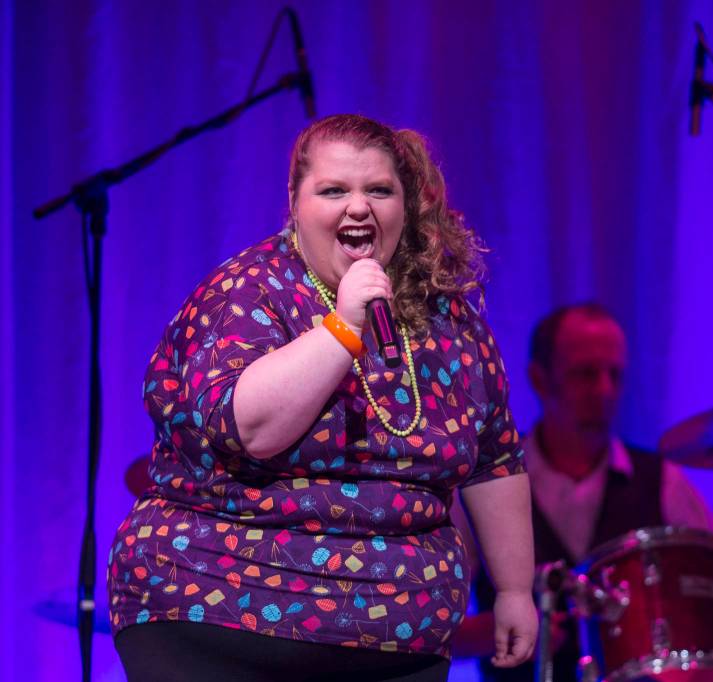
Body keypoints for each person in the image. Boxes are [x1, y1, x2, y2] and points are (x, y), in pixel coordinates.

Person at [108, 114, 537, 682]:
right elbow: (252, 429)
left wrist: (513, 590)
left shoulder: (449, 319)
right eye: (334, 190)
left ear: (403, 206)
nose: (358, 207)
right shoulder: (245, 292)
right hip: (218, 612)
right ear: (295, 202)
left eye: (378, 190)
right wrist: (342, 327)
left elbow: (494, 458)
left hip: (396, 637)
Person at [451, 303, 713, 681]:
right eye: (585, 374)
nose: (604, 390)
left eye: (615, 374)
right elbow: (427, 633)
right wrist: (490, 629)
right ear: (539, 379)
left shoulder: (660, 479)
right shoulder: (489, 483)